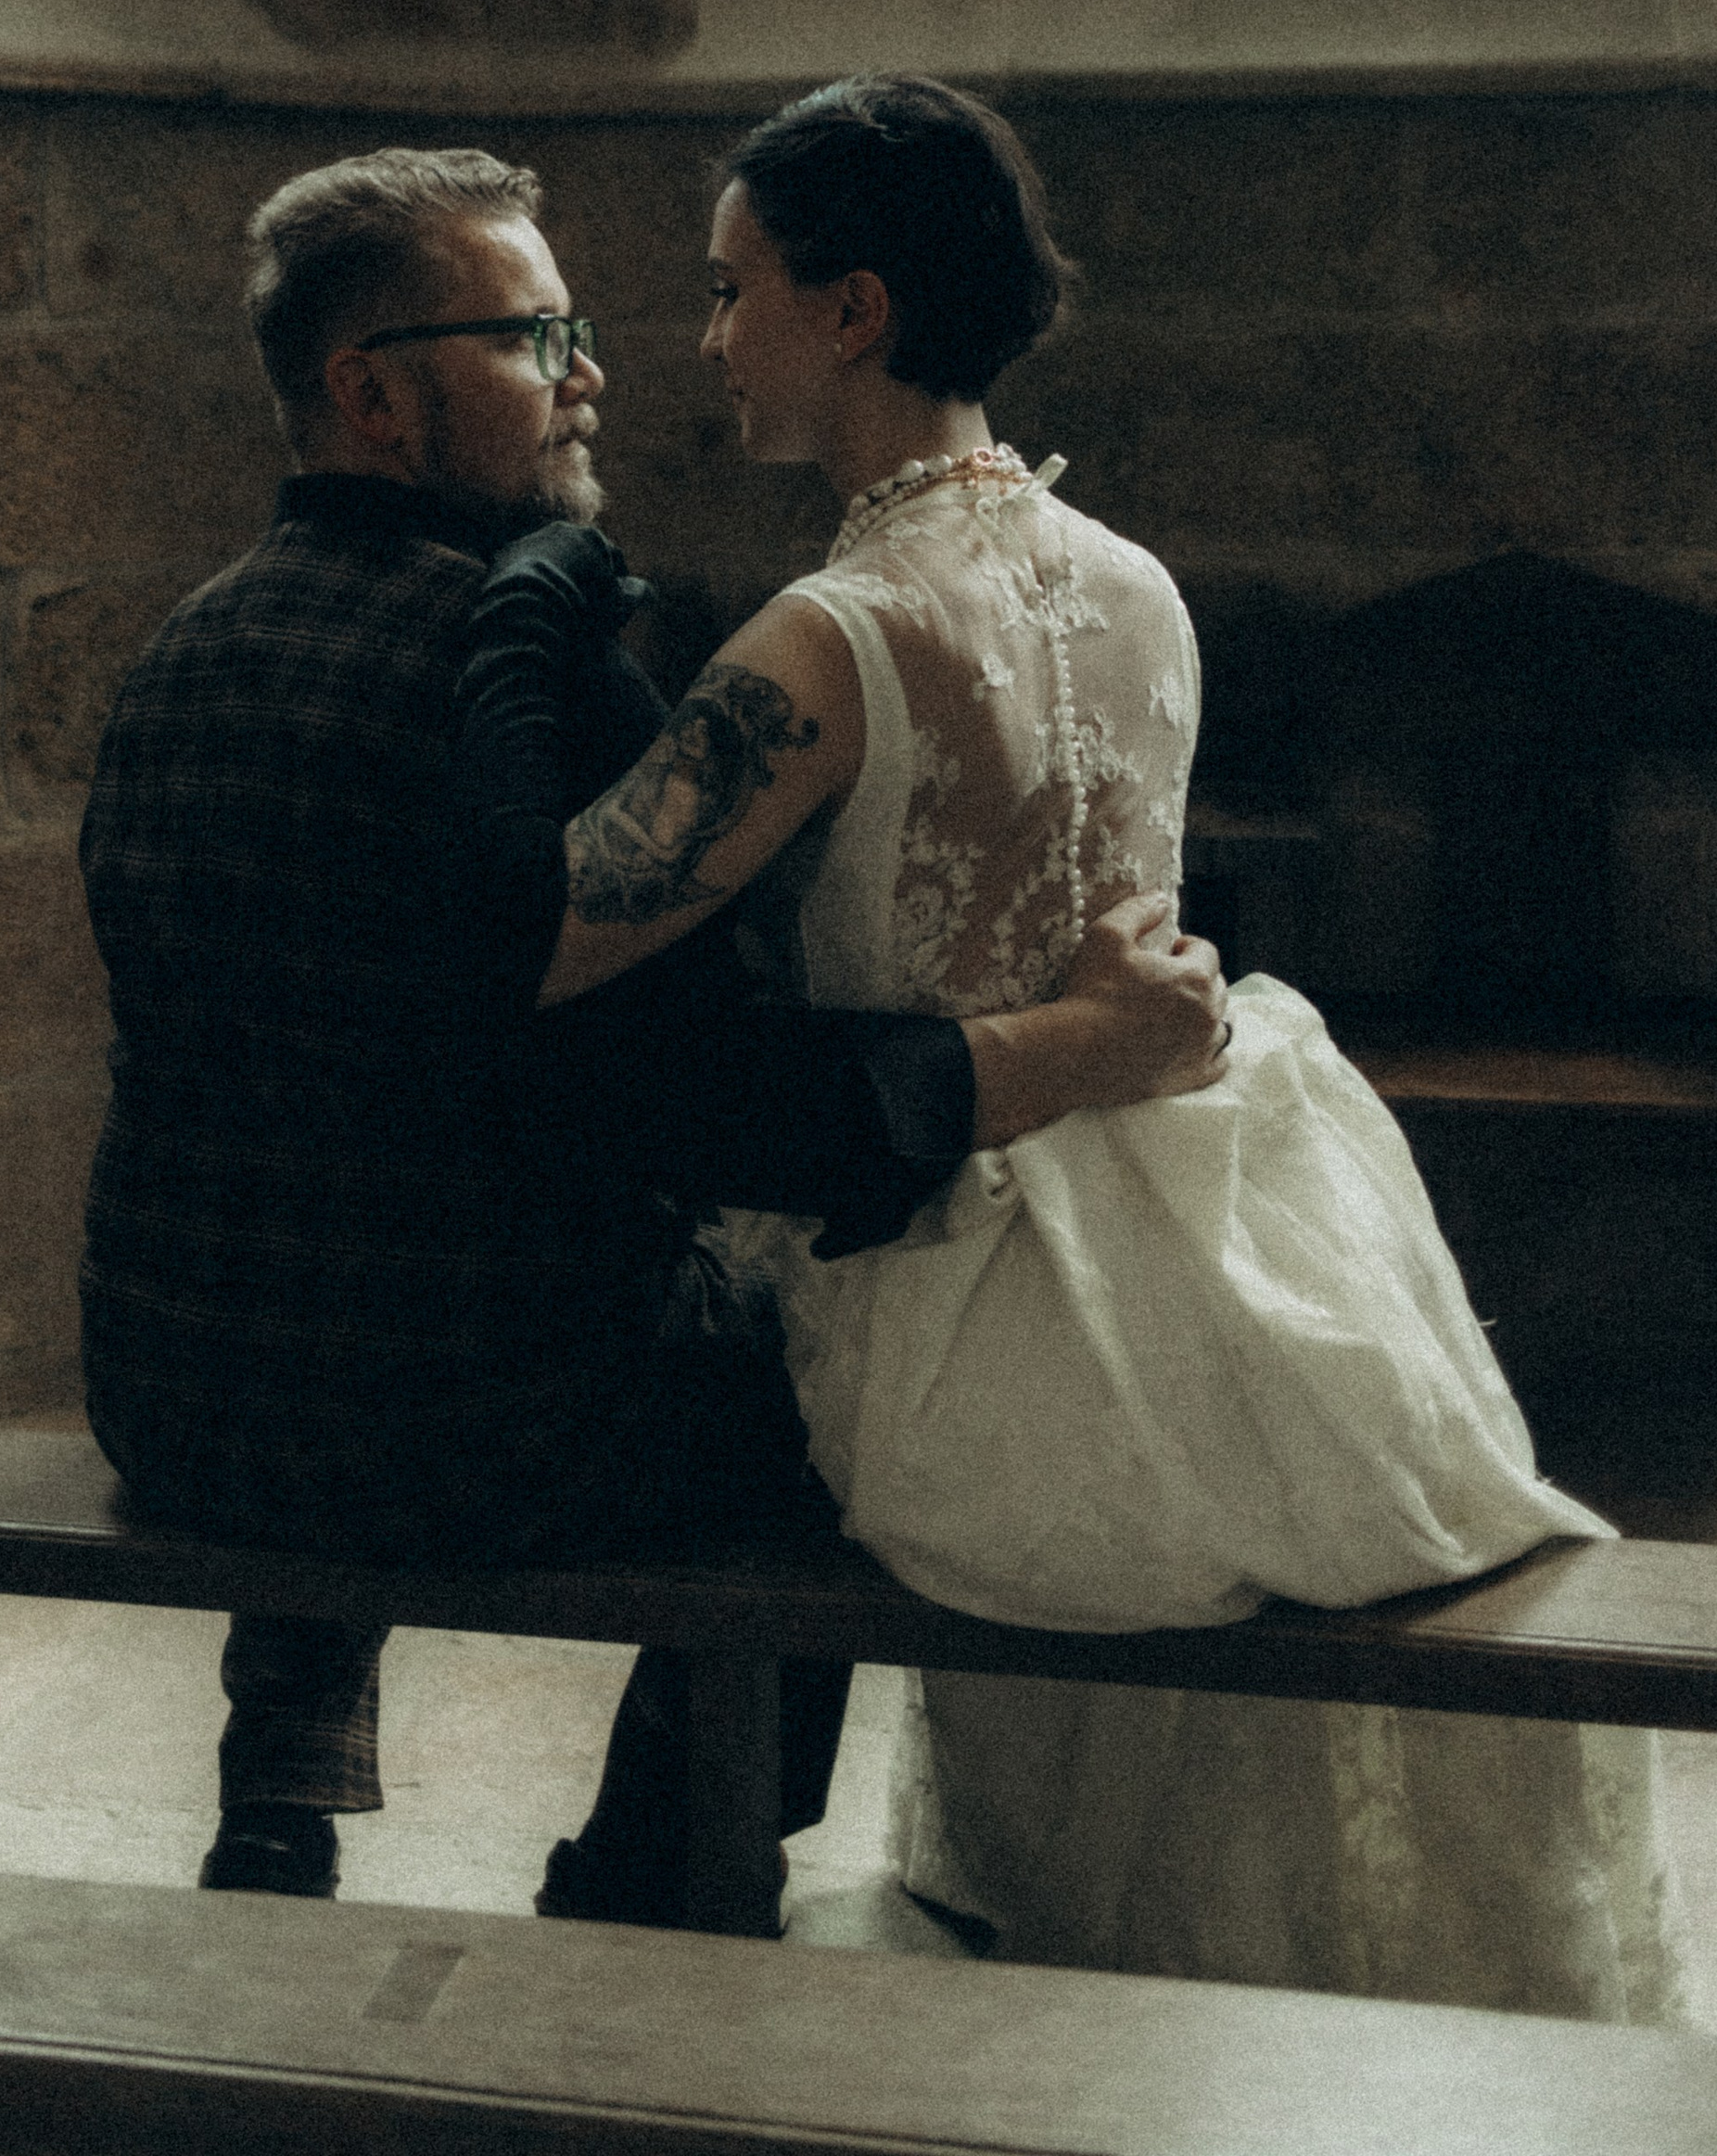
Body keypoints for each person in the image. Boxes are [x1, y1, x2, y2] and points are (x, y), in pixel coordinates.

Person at [481, 75, 1684, 2019]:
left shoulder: (827, 633)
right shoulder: (1134, 585)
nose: (703, 339)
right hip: (1198, 1224)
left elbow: (531, 939)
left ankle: (644, 1946)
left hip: (959, 1279)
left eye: (727, 289)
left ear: (851, 307)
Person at [78, 143, 1229, 1921]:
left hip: (172, 1389)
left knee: (342, 1183)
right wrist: (1074, 1046)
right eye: (534, 337)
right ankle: (660, 1882)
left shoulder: (177, 654)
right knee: (843, 1384)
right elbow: (720, 1105)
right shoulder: (526, 680)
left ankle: (285, 1783)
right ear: (373, 393)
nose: (595, 369)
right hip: (487, 1429)